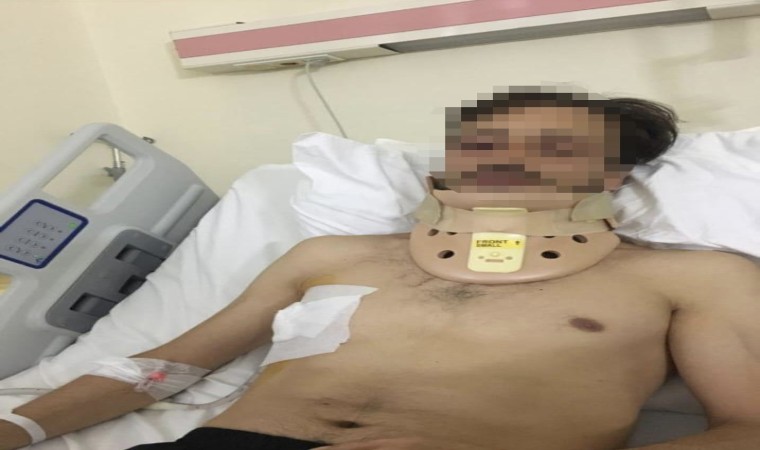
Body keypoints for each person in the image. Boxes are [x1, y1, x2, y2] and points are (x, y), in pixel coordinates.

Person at [1, 88, 759, 450]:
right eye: (483, 141)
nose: (503, 157)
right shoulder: (331, 256)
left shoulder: (691, 278)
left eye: (550, 146)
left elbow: (747, 428)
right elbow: (164, 370)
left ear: (612, 178)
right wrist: (21, 425)